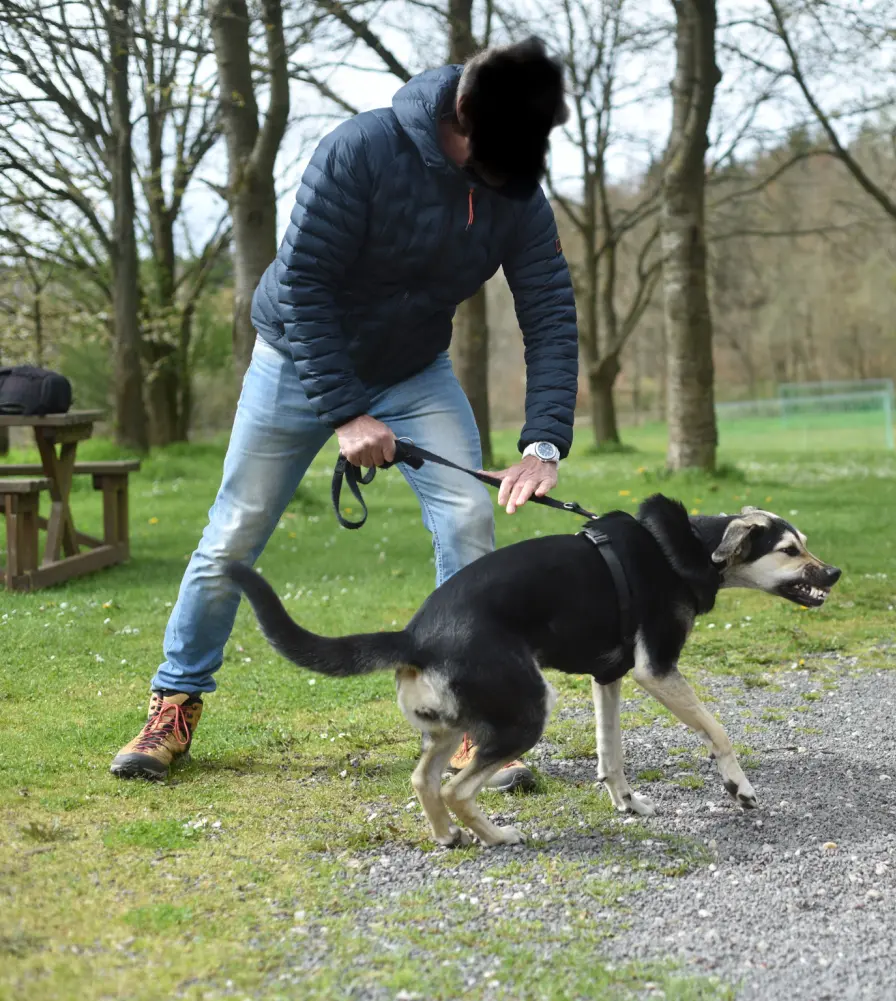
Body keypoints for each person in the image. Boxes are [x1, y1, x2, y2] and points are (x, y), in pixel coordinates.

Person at [110, 38, 578, 788]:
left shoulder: (516, 190)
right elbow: (305, 285)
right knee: (235, 528)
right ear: (462, 114)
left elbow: (549, 311)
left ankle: (476, 717)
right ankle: (175, 701)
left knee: (467, 517)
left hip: (413, 371)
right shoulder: (360, 150)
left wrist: (543, 442)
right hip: (297, 359)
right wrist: (347, 414)